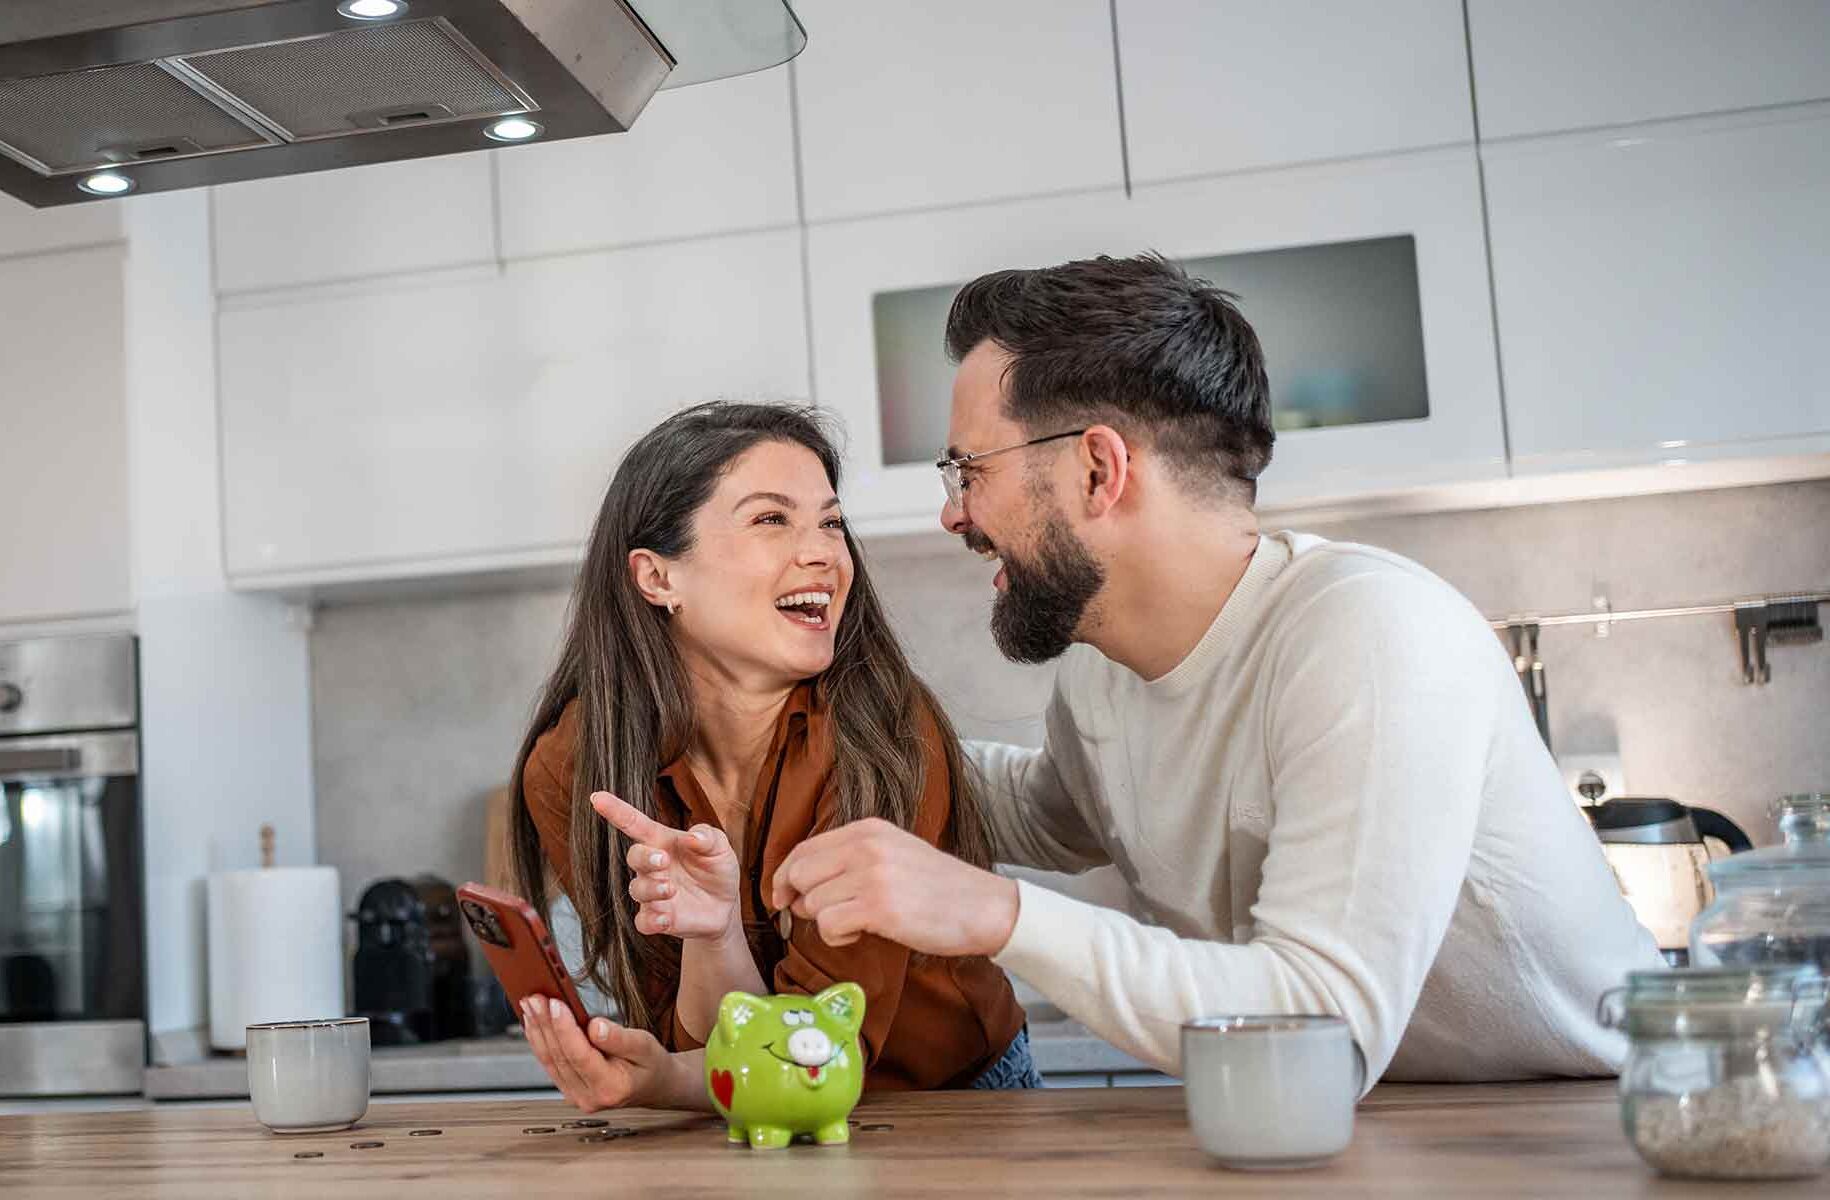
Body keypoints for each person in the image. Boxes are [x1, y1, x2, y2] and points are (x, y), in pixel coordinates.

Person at [771, 253, 1663, 1087]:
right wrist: (799, 737)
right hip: (1381, 1124)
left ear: (1097, 468)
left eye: (968, 468)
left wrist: (995, 915)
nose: (953, 513)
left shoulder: (1371, 632)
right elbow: (1051, 813)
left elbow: (1324, 1030)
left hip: (1598, 1122)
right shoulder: (1104, 673)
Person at [510, 402, 1037, 1114]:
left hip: (950, 1104)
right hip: (745, 1105)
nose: (823, 551)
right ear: (657, 578)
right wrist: (713, 934)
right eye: (770, 519)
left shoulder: (882, 731)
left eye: (830, 521)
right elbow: (717, 1044)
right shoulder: (576, 764)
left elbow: (819, 1051)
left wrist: (662, 1081)